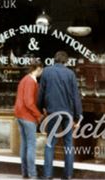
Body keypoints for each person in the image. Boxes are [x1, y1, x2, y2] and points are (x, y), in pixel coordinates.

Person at [36, 51, 82, 180]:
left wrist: (40, 109)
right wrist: (78, 116)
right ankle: (68, 175)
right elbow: (75, 96)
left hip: (53, 112)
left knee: (50, 143)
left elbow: (41, 93)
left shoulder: (46, 72)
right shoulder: (70, 74)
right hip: (67, 113)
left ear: (54, 60)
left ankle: (47, 175)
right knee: (68, 144)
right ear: (66, 61)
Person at [14, 60, 44, 179]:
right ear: (38, 69)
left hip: (20, 115)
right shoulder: (31, 81)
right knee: (31, 145)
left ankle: (25, 173)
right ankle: (33, 174)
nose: (42, 72)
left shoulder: (24, 79)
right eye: (41, 70)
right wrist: (39, 115)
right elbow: (29, 102)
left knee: (24, 145)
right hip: (28, 117)